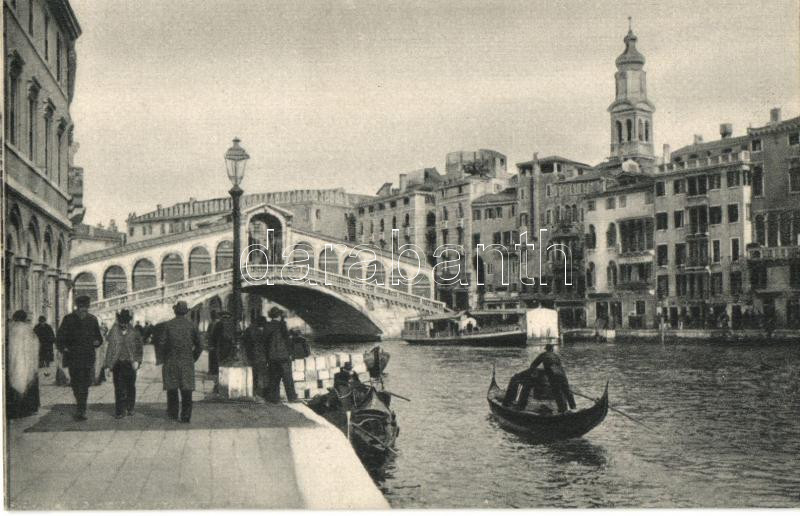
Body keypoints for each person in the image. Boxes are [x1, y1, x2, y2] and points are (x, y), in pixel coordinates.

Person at [57, 295, 103, 421]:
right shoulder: (68, 319)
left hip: (87, 357)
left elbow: (99, 338)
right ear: (77, 307)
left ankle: (81, 409)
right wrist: (64, 348)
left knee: (85, 383)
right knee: (76, 383)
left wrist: (97, 342)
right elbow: (60, 337)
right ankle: (80, 405)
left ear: (87, 307)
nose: (84, 310)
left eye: (85, 307)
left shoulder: (92, 319)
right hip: (73, 357)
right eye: (81, 307)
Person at [158, 301, 202, 422]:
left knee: (172, 389)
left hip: (171, 361)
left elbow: (161, 344)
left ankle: (173, 413)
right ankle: (186, 416)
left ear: (175, 311)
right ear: (186, 312)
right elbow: (200, 345)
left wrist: (164, 357)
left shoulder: (168, 325)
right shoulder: (192, 325)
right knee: (186, 390)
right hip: (187, 361)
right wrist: (193, 358)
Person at [105, 309, 144, 419]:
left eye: (125, 322)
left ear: (129, 321)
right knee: (118, 387)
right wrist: (107, 365)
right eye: (121, 322)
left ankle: (130, 407)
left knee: (130, 386)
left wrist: (137, 361)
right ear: (119, 321)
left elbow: (139, 349)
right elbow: (110, 349)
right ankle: (119, 410)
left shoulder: (135, 332)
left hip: (130, 363)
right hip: (117, 364)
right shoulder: (113, 332)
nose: (123, 325)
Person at [7, 310, 40, 418]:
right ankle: (27, 409)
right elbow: (35, 345)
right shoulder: (28, 329)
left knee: (14, 383)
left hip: (14, 360)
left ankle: (14, 410)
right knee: (27, 383)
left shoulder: (10, 329)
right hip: (27, 361)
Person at [528, 344, 576, 413]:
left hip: (553, 375)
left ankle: (562, 410)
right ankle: (573, 407)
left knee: (557, 392)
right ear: (552, 349)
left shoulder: (543, 355)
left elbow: (533, 365)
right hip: (562, 374)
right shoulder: (556, 356)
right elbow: (558, 366)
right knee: (567, 391)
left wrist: (533, 373)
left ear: (546, 349)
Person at [264, 307, 297, 403]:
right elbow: (287, 340)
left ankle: (274, 399)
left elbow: (265, 342)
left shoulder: (267, 325)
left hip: (272, 357)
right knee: (287, 378)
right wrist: (291, 353)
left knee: (274, 378)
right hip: (283, 356)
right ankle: (292, 397)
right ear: (279, 315)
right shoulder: (282, 325)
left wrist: (267, 356)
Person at [243, 316, 269, 398]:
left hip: (252, 355)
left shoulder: (249, 329)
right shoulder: (260, 331)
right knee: (262, 374)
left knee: (254, 374)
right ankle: (261, 392)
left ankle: (253, 391)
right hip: (260, 355)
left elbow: (245, 343)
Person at [206, 311, 220, 375]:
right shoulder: (219, 323)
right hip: (218, 343)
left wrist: (207, 341)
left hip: (212, 343)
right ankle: (216, 371)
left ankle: (211, 370)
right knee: (217, 357)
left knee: (211, 357)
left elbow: (208, 334)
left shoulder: (211, 323)